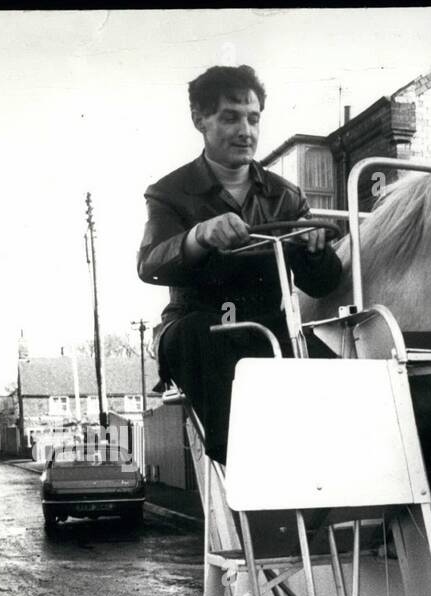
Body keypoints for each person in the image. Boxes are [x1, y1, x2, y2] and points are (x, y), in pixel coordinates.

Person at [137, 65, 342, 463]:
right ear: (199, 119)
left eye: (252, 118)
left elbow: (322, 284)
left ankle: (334, 479)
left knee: (334, 371)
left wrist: (316, 250)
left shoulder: (286, 196)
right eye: (229, 117)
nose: (245, 131)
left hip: (268, 326)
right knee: (203, 338)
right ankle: (243, 464)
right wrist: (198, 236)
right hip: (200, 322)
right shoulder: (169, 193)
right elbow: (151, 263)